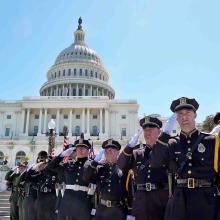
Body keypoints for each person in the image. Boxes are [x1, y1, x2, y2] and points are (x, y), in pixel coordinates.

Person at [165, 97, 219, 220]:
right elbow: (156, 162)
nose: (184, 117)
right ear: (176, 118)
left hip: (206, 200)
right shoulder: (171, 143)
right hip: (180, 201)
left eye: (188, 113)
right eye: (180, 114)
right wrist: (164, 135)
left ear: (195, 115)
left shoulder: (211, 141)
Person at [117, 115, 176, 220]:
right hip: (141, 203)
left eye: (151, 129)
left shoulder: (168, 150)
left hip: (161, 202)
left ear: (159, 131)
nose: (147, 132)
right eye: (145, 129)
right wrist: (130, 146)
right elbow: (121, 165)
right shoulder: (137, 153)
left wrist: (164, 138)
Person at [46, 133, 94, 220]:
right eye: (78, 148)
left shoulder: (92, 165)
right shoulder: (68, 164)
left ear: (88, 151)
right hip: (67, 203)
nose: (81, 150)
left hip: (84, 203)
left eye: (83, 148)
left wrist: (94, 207)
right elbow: (50, 167)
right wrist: (61, 155)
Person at [84, 139, 129, 220]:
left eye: (112, 150)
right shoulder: (100, 169)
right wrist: (95, 162)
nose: (109, 152)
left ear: (118, 152)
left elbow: (130, 192)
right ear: (104, 153)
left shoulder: (124, 169)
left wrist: (130, 212)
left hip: (118, 211)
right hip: (102, 210)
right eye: (107, 151)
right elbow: (86, 178)